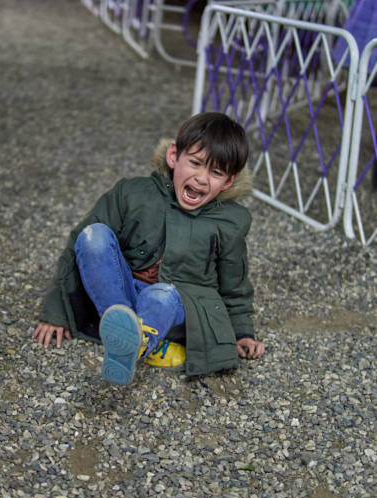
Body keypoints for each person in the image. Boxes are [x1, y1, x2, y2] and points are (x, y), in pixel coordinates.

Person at [33, 112, 265, 385]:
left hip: (176, 307)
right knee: (92, 236)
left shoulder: (230, 222)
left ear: (228, 182)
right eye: (195, 163)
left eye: (215, 173)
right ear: (173, 156)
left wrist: (241, 333)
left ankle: (137, 342)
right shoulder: (132, 192)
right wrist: (57, 312)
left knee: (162, 295)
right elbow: (77, 250)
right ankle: (125, 333)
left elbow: (234, 283)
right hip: (120, 294)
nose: (202, 178)